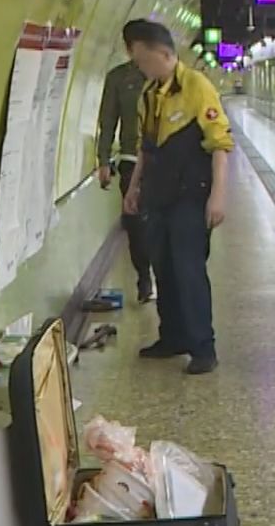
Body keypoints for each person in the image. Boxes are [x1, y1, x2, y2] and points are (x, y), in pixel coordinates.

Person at [122, 19, 232, 376]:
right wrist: (134, 187)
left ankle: (203, 346)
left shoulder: (197, 87)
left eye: (143, 59)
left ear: (164, 53)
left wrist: (218, 195)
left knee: (189, 270)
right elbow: (145, 148)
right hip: (158, 195)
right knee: (162, 268)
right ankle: (171, 337)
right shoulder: (148, 94)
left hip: (191, 195)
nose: (140, 66)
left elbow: (219, 144)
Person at [96, 25, 153, 304]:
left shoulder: (163, 76)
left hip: (162, 163)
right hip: (131, 160)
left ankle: (162, 274)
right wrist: (103, 159)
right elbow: (108, 121)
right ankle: (144, 276)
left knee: (159, 224)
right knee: (135, 224)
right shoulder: (118, 79)